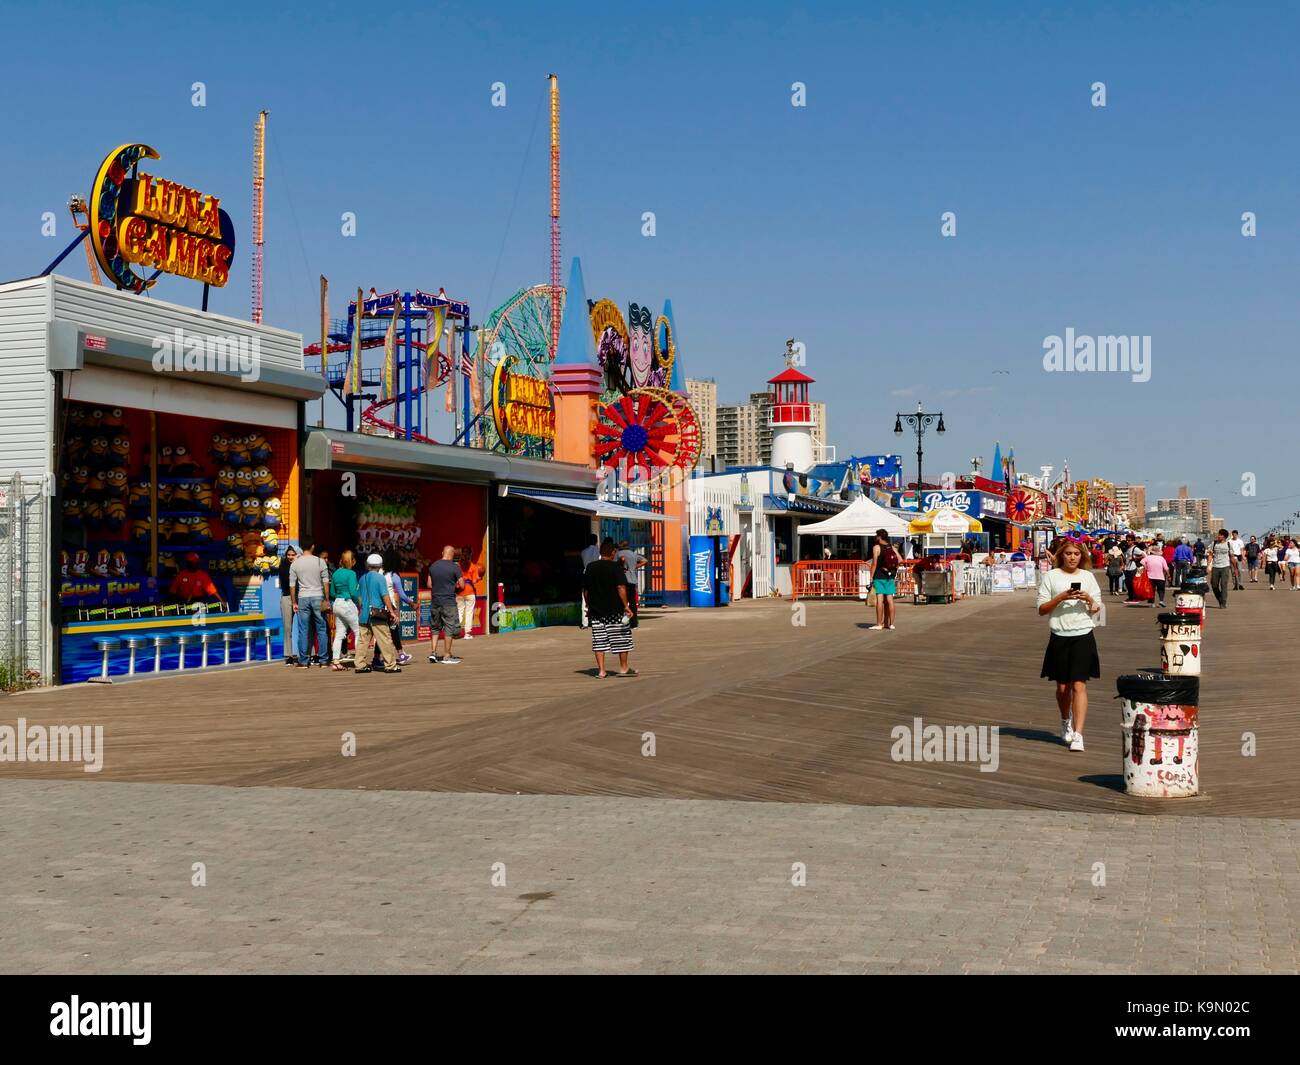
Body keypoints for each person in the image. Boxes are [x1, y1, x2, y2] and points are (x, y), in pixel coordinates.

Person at [1037, 539, 1102, 752]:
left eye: (1076, 554)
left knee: (1079, 685)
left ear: (1081, 557)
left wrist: (1089, 599)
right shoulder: (1051, 577)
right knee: (1062, 688)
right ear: (1061, 556)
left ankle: (1078, 733)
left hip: (1083, 634)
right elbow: (1042, 609)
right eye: (1068, 554)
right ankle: (1065, 719)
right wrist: (1061, 597)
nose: (1072, 557)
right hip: (1059, 634)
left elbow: (1097, 609)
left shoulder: (1088, 577)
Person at [582, 538, 634, 677]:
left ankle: (601, 670)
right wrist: (626, 606)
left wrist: (588, 605)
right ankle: (624, 668)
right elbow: (621, 587)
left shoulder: (590, 567)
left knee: (599, 639)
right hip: (615, 610)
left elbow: (586, 590)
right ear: (612, 552)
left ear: (600, 552)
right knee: (621, 638)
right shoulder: (615, 567)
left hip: (596, 610)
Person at [355, 553, 400, 674]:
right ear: (380, 565)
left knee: (362, 641)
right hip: (377, 614)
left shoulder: (362, 578)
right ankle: (390, 665)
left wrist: (362, 608)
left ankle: (360, 665)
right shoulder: (380, 578)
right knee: (385, 640)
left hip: (364, 614)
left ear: (368, 565)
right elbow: (385, 596)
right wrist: (391, 611)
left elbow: (358, 597)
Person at [290, 540, 330, 667]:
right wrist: (327, 599)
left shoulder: (295, 563)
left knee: (303, 630)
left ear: (301, 548)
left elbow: (292, 586)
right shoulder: (320, 561)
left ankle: (303, 661)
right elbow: (326, 583)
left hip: (302, 598)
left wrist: (293, 601)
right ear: (313, 547)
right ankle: (323, 660)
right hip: (318, 596)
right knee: (321, 629)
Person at [427, 545, 465, 664]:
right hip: (449, 602)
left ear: (442, 552)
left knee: (435, 628)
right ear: (453, 554)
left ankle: (433, 653)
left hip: (435, 601)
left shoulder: (433, 566)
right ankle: (447, 654)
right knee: (449, 628)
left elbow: (429, 584)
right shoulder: (455, 567)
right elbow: (462, 585)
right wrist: (454, 587)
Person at [329, 549, 361, 670]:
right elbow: (353, 592)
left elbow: (332, 592)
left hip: (337, 603)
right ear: (352, 561)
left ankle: (336, 661)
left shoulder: (336, 573)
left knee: (339, 634)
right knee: (358, 631)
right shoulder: (351, 574)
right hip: (348, 603)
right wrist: (359, 603)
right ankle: (359, 660)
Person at [382, 550, 413, 666]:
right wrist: (411, 603)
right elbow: (402, 594)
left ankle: (376, 658)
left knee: (381, 633)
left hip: (378, 607)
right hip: (390, 607)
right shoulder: (394, 576)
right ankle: (401, 654)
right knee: (394, 630)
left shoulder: (379, 573)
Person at [867, 528, 902, 630]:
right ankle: (890, 624)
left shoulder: (876, 547)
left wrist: (871, 576)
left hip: (879, 575)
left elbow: (874, 563)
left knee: (880, 600)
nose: (876, 537)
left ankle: (879, 624)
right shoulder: (891, 547)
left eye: (877, 535)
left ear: (879, 537)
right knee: (890, 600)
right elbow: (900, 559)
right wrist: (893, 569)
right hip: (890, 576)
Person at [615, 539, 648, 628]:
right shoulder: (633, 554)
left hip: (622, 580)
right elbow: (645, 560)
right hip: (632, 581)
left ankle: (622, 620)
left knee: (622, 602)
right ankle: (634, 623)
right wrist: (635, 566)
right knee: (632, 602)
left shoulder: (618, 554)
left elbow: (614, 565)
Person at [278, 545, 299, 664]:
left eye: (293, 554)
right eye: (289, 555)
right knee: (287, 627)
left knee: (304, 626)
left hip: (300, 597)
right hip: (286, 597)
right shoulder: (283, 566)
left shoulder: (300, 566)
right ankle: (289, 655)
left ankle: (309, 654)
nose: (290, 557)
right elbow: (286, 581)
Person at [457, 546, 481, 640]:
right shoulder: (473, 566)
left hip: (459, 591)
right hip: (470, 591)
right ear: (471, 554)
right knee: (469, 612)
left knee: (459, 611)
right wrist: (479, 578)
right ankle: (467, 634)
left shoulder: (457, 566)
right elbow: (474, 581)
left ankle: (456, 632)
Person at [579, 533, 600, 627]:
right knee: (597, 596)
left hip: (586, 573)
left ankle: (585, 622)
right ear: (596, 541)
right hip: (596, 575)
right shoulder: (599, 552)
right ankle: (596, 620)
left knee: (585, 598)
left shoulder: (583, 552)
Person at [1207, 528, 1232, 608]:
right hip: (1215, 566)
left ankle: (1223, 603)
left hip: (1225, 566)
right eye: (1218, 534)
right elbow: (1210, 555)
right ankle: (1220, 599)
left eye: (1220, 535)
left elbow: (1231, 556)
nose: (1218, 536)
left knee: (1223, 584)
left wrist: (1235, 569)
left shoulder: (1228, 544)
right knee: (1214, 585)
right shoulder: (1214, 543)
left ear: (1224, 537)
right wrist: (1208, 566)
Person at [1142, 543, 1170, 608]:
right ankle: (1161, 601)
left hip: (1150, 576)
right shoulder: (1161, 558)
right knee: (1161, 589)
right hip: (1160, 577)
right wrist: (1169, 575)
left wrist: (1146, 567)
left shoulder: (1148, 557)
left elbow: (1142, 562)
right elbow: (1166, 568)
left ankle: (1152, 603)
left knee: (1152, 590)